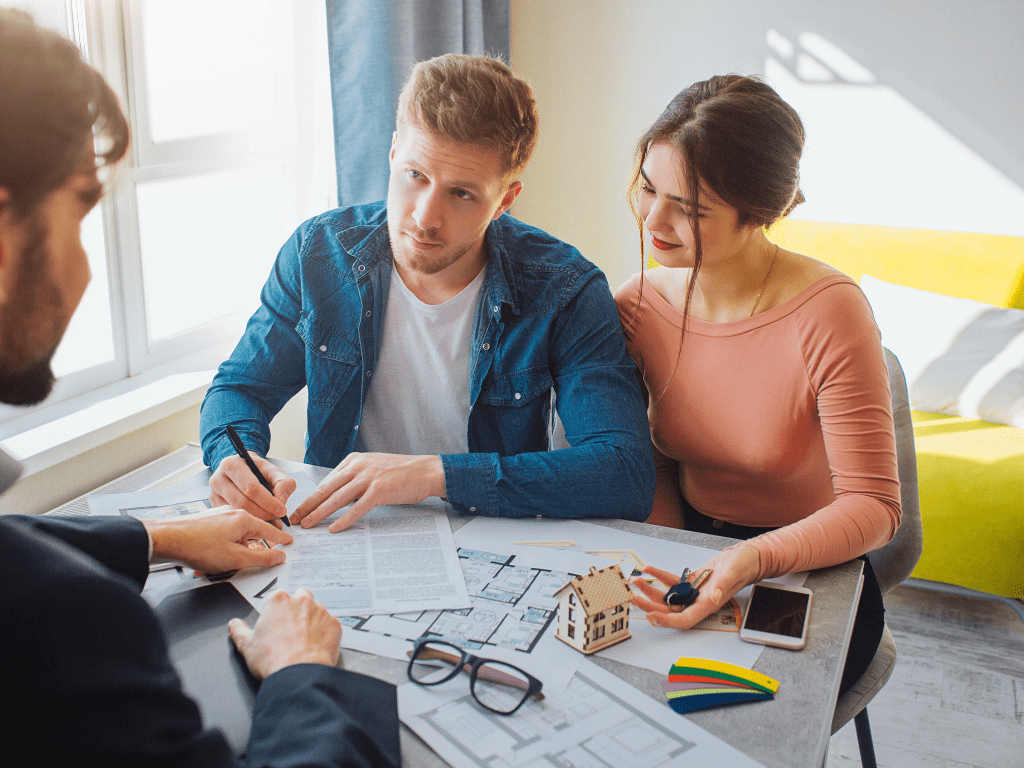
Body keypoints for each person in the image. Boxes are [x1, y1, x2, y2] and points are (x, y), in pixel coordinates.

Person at [0, 10, 399, 766]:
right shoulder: (70, 624)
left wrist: (159, 538)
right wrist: (304, 675)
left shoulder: (560, 282)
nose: (88, 268)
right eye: (81, 209)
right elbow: (237, 391)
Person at [200, 54, 654, 533]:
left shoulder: (564, 287)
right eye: (415, 175)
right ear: (394, 152)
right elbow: (239, 389)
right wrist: (235, 457)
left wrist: (434, 475)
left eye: (461, 194)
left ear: (505, 199)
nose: (424, 217)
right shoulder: (318, 254)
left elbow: (624, 473)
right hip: (343, 533)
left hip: (493, 536)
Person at [613, 75, 901, 696]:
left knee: (731, 719)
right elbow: (654, 456)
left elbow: (875, 508)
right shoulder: (637, 307)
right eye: (647, 188)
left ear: (760, 213)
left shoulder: (829, 310)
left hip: (812, 564)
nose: (653, 220)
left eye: (689, 209)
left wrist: (749, 560)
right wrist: (673, 548)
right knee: (625, 700)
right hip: (691, 544)